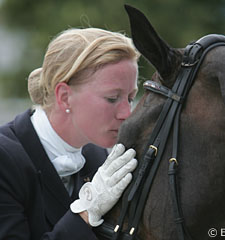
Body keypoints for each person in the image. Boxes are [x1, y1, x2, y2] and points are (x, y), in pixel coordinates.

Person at [0, 27, 140, 239]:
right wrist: (87, 209)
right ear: (65, 96)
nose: (126, 113)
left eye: (130, 98)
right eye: (113, 98)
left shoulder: (97, 158)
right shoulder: (4, 159)